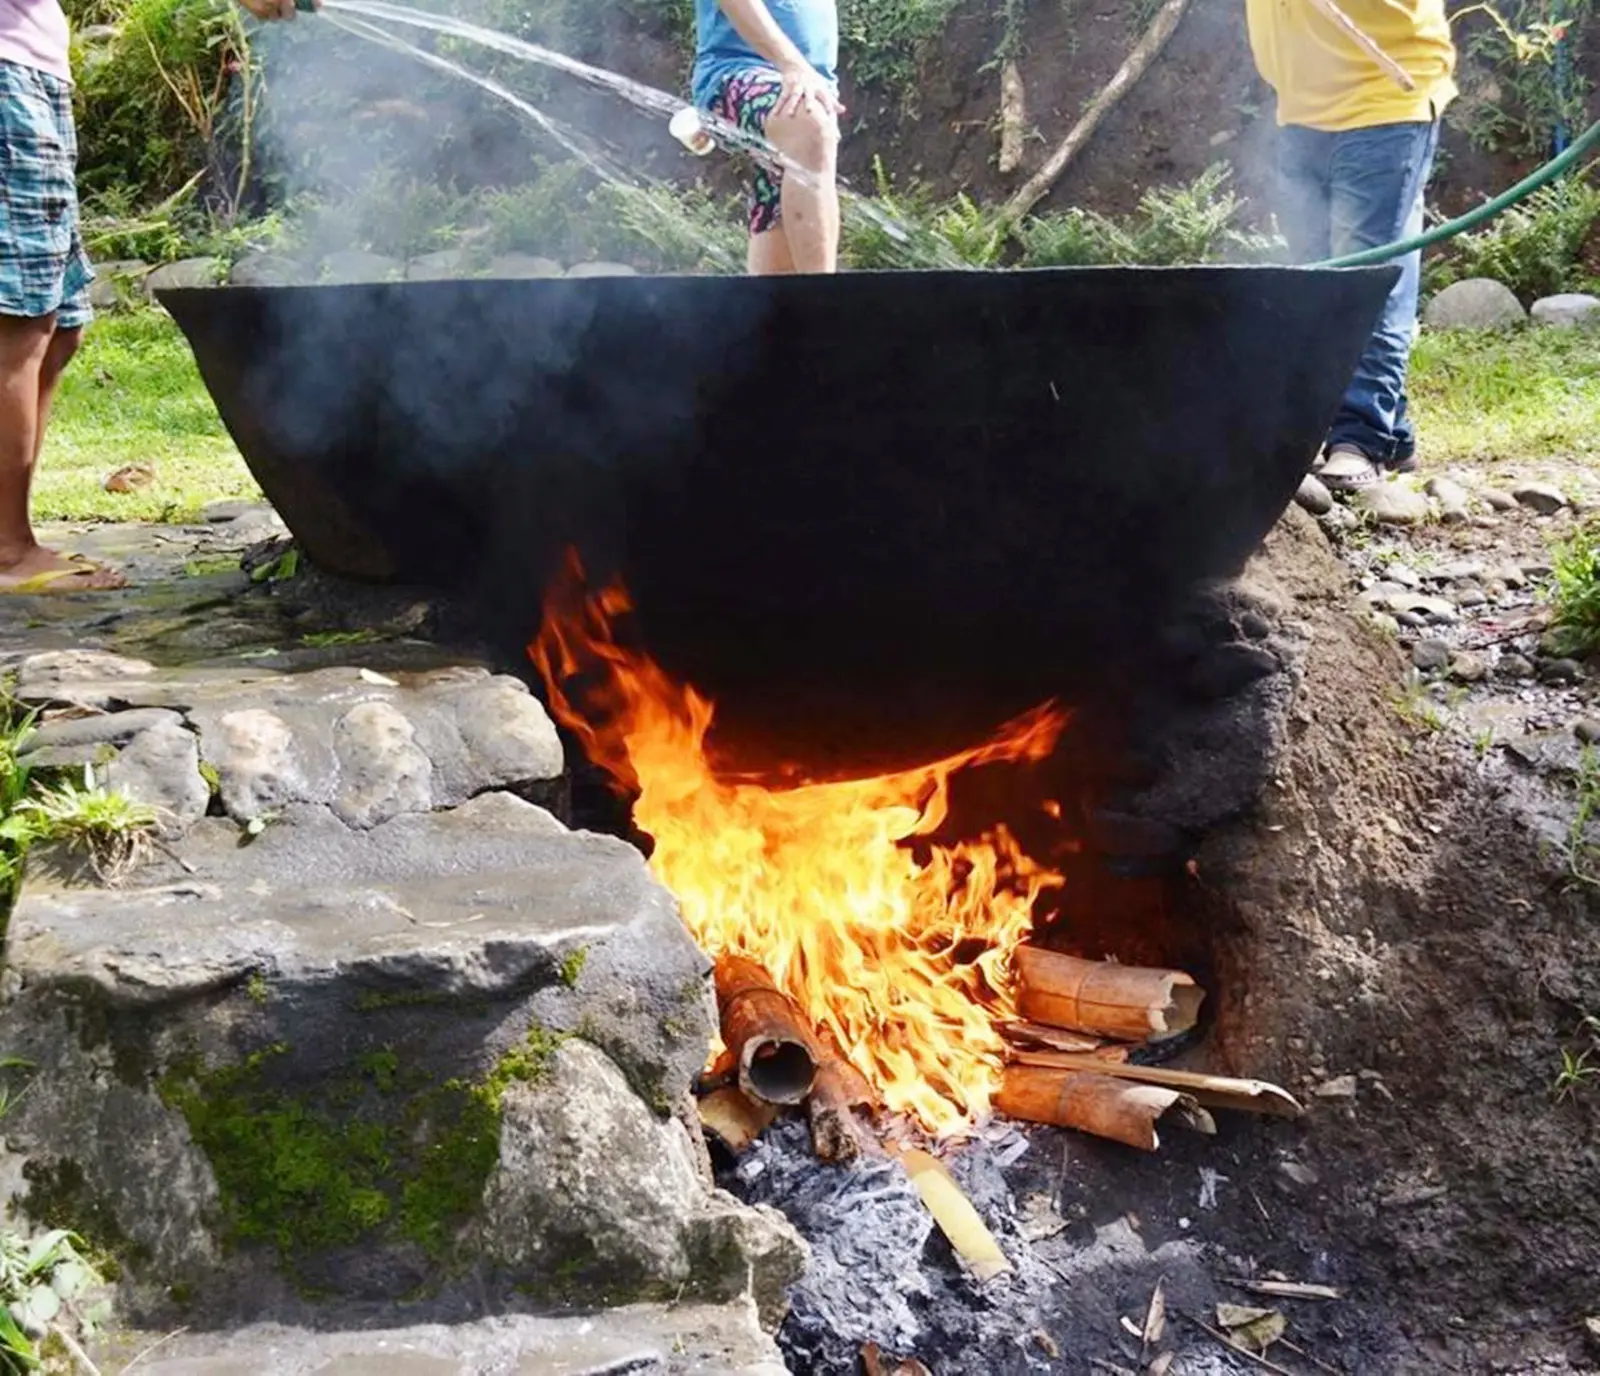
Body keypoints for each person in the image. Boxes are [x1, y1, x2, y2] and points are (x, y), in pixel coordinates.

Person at [1246, 0, 1457, 492]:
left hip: (1383, 100)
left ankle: (1360, 438)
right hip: (1301, 108)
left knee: (1363, 276)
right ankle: (1391, 431)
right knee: (1316, 280)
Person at [0, 0, 126, 591]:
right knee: (18, 323)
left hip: (32, 73)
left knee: (60, 325)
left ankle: (8, 534)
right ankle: (6, 549)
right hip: (7, 78)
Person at [692, 0, 843, 275]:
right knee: (807, 123)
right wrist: (792, 64)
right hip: (740, 73)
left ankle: (778, 315)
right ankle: (827, 306)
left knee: (776, 296)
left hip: (809, 85)